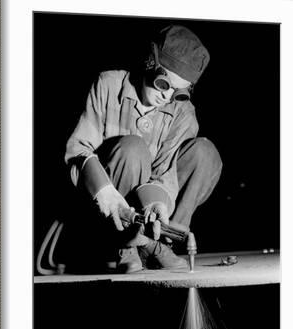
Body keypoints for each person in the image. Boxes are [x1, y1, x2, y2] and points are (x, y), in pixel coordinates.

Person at [65, 24, 222, 273]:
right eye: (163, 84)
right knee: (133, 146)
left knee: (205, 153)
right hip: (103, 211)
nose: (167, 97)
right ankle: (124, 242)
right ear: (150, 63)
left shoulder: (184, 113)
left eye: (178, 92)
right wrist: (105, 193)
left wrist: (156, 204)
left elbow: (165, 173)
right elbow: (78, 150)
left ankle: (160, 240)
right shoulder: (108, 85)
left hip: (150, 212)